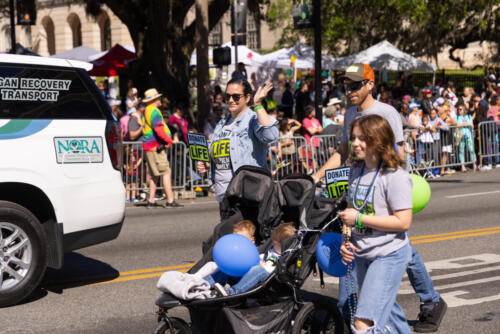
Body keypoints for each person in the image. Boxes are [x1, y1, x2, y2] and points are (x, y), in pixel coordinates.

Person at [311, 63, 446, 333]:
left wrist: (394, 189)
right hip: (363, 193)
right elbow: (344, 152)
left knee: (399, 250)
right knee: (390, 261)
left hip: (386, 193)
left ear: (370, 84)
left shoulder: (386, 113)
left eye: (355, 85)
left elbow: (396, 154)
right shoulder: (350, 114)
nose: (349, 90)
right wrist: (315, 176)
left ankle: (431, 300)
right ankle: (429, 300)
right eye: (345, 85)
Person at [339, 114, 413, 334]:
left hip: (388, 254)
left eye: (362, 138)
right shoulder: (356, 171)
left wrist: (360, 219)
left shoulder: (394, 175)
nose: (355, 143)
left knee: (364, 323)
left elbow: (403, 222)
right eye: (353, 138)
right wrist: (346, 240)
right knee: (391, 318)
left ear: (378, 140)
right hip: (363, 254)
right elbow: (349, 214)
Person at [197, 79, 279, 204]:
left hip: (248, 194)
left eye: (236, 97)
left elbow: (270, 136)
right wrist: (208, 164)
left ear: (247, 98)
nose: (230, 100)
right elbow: (223, 155)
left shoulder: (253, 119)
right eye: (227, 96)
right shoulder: (222, 123)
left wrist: (257, 104)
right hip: (224, 195)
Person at [213, 222, 296, 296]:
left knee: (259, 270)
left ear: (285, 246)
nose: (273, 246)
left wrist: (263, 266)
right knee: (230, 266)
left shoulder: (282, 258)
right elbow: (261, 256)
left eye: (276, 244)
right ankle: (206, 283)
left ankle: (232, 292)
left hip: (269, 280)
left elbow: (273, 270)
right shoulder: (273, 251)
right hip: (253, 272)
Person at [142, 88, 183, 208]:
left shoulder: (147, 110)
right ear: (154, 99)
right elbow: (158, 129)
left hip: (150, 147)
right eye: (158, 98)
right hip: (156, 147)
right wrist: (169, 140)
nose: (160, 100)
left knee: (154, 175)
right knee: (166, 172)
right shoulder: (154, 111)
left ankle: (151, 200)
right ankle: (170, 200)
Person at [453, 104, 476, 172]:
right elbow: (456, 125)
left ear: (464, 110)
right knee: (461, 150)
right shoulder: (456, 117)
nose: (459, 110)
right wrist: (463, 124)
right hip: (461, 135)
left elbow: (472, 125)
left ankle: (474, 163)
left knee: (471, 149)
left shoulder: (468, 116)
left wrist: (467, 124)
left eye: (460, 109)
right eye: (458, 109)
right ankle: (462, 166)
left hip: (468, 135)